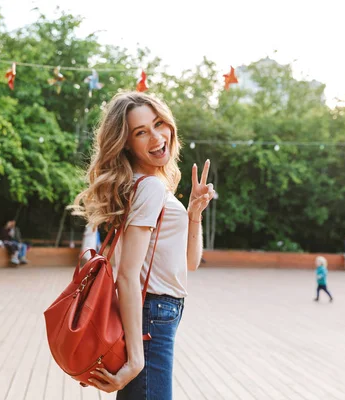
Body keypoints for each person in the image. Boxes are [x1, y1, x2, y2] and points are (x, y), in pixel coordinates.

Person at [71, 92, 214, 399]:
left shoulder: (150, 185)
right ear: (126, 143)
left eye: (159, 123)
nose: (156, 137)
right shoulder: (148, 187)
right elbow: (127, 274)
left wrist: (193, 215)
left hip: (162, 312)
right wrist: (136, 360)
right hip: (152, 315)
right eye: (141, 132)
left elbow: (189, 263)